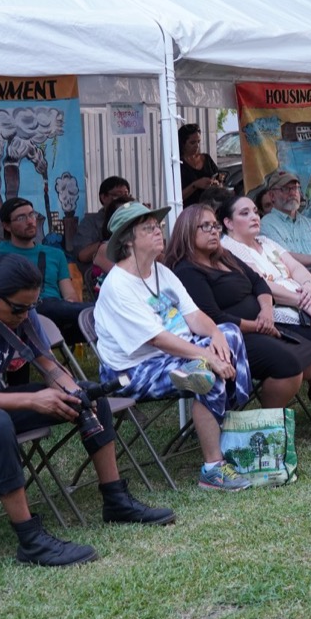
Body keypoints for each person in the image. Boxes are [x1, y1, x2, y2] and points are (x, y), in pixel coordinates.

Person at [0, 250, 176, 568]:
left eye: (31, 307)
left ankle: (116, 500)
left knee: (89, 399)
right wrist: (32, 400)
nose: (25, 315)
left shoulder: (22, 310)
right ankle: (29, 539)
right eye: (19, 309)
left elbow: (49, 366)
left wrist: (74, 390)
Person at [167, 199, 311, 441]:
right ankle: (266, 430)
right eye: (205, 227)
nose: (213, 231)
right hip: (233, 335)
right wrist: (260, 324)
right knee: (291, 364)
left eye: (214, 226)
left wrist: (265, 311)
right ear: (188, 231)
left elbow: (258, 282)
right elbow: (213, 317)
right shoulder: (188, 270)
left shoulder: (223, 257)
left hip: (264, 323)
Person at [93, 201, 255, 490]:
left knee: (229, 332)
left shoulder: (161, 272)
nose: (158, 231)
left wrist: (215, 335)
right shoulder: (118, 285)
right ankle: (213, 469)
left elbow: (193, 315)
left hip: (174, 354)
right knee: (205, 373)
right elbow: (157, 339)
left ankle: (225, 424)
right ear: (128, 241)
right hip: (132, 371)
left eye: (158, 226)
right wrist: (208, 354)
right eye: (148, 228)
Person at [218, 193, 311, 427]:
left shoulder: (266, 242)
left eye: (255, 211)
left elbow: (298, 268)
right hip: (273, 313)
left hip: (302, 306)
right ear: (228, 223)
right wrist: (303, 303)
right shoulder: (228, 249)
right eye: (244, 213)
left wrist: (309, 286)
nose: (254, 216)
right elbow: (260, 285)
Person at [0, 197, 93, 341]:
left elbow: (69, 294)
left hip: (57, 315)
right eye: (21, 218)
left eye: (31, 214)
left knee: (91, 321)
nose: (30, 221)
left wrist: (71, 303)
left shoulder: (55, 254)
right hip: (16, 313)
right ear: (7, 226)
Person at [258, 170, 311, 265]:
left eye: (296, 188)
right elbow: (283, 257)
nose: (293, 193)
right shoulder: (265, 224)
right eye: (285, 189)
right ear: (272, 196)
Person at [69, 176, 132, 274]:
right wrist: (112, 239)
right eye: (119, 195)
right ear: (104, 197)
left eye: (126, 195)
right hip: (100, 276)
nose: (124, 199)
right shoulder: (90, 222)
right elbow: (82, 255)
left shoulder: (134, 219)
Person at [178, 123, 220, 206]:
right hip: (190, 210)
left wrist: (216, 183)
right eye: (192, 143)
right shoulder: (178, 163)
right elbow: (177, 198)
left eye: (198, 142)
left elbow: (219, 178)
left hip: (210, 207)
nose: (197, 146)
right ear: (183, 143)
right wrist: (195, 185)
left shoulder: (206, 158)